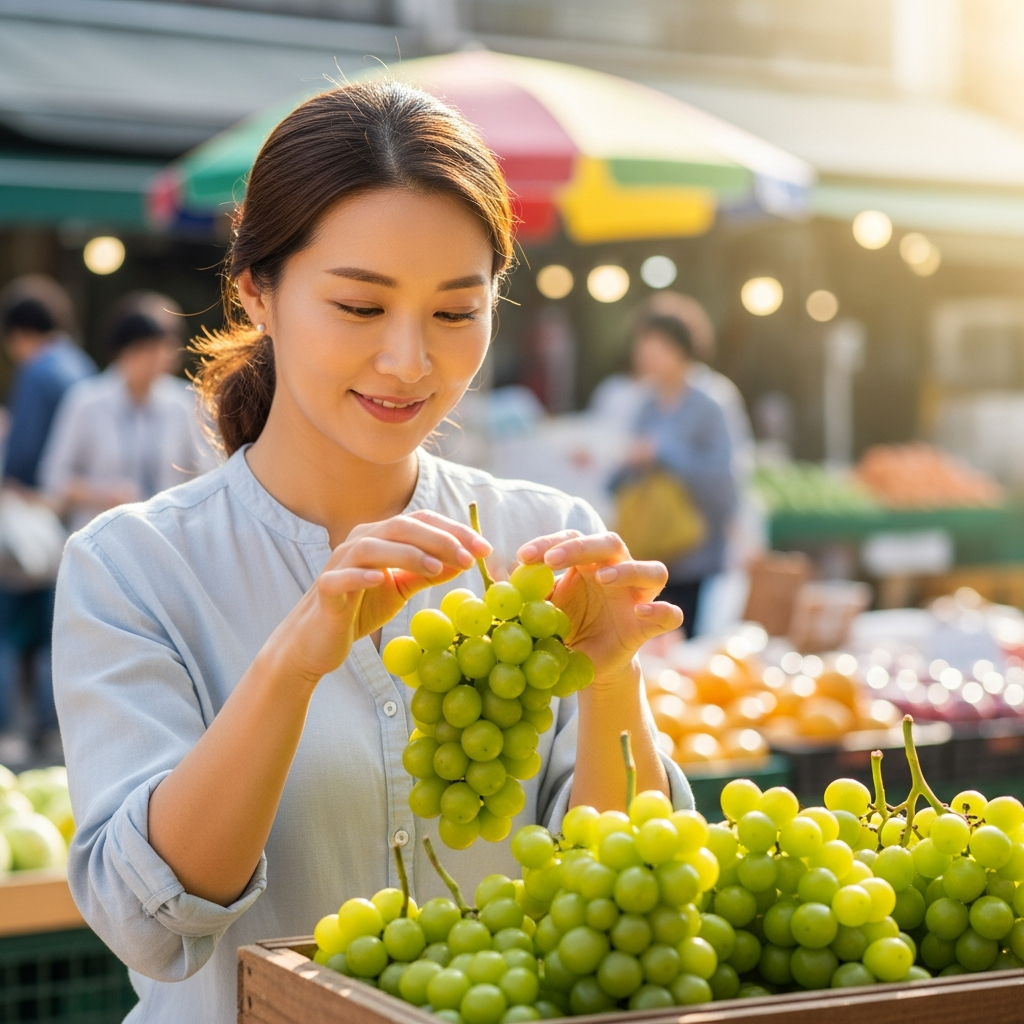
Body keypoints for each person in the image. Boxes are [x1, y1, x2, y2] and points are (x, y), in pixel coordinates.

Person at [52, 81, 691, 1023]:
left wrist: (610, 684)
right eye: (358, 307)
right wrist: (295, 657)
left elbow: (627, 906)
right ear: (257, 295)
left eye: (454, 311)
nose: (409, 361)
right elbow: (149, 926)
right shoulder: (134, 568)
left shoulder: (543, 544)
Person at [0, 277, 95, 760]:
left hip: (34, 520)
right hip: (76, 521)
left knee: (15, 631)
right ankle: (56, 730)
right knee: (63, 629)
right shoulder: (80, 367)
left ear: (20, 332)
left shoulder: (37, 373)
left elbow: (20, 458)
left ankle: (17, 731)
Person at [40, 293, 217, 533]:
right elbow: (53, 477)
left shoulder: (183, 403)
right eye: (146, 350)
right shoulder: (86, 401)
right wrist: (103, 494)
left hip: (167, 536)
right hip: (101, 534)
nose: (157, 358)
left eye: (161, 349)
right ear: (124, 351)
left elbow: (207, 473)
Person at [619, 314, 736, 637]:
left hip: (693, 547)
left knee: (685, 637)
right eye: (642, 347)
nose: (645, 355)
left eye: (655, 347)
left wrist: (663, 454)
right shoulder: (647, 405)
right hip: (650, 546)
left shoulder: (709, 404)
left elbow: (722, 478)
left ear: (680, 350)